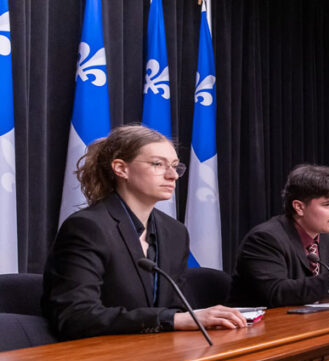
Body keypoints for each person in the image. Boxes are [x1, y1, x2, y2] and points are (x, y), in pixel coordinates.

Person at [43, 124, 246, 340]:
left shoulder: (174, 232)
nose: (173, 176)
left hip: (158, 352)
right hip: (100, 358)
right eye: (158, 164)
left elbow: (174, 305)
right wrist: (175, 319)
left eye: (176, 166)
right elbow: (76, 316)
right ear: (121, 168)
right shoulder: (88, 228)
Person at [230, 164, 329, 307]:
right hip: (265, 325)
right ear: (299, 207)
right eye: (328, 204)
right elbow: (276, 293)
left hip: (313, 322)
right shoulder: (265, 239)